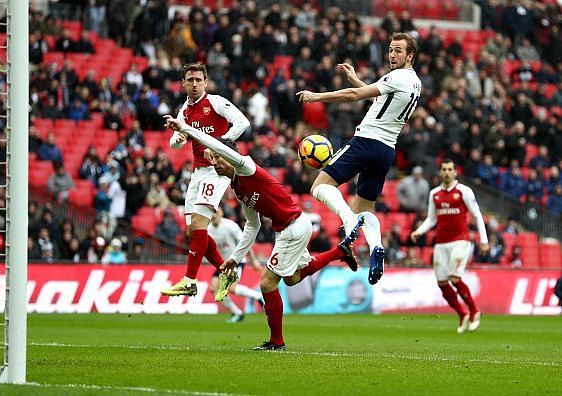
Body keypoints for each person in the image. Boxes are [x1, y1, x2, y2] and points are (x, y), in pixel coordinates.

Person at [163, 115, 359, 351]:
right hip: (289, 228)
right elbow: (252, 225)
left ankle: (277, 342)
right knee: (293, 278)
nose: (214, 163)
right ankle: (340, 251)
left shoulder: (245, 166)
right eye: (212, 159)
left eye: (216, 158)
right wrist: (235, 258)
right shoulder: (237, 187)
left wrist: (185, 129)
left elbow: (214, 143)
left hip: (293, 227)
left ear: (227, 156)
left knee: (267, 284)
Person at [296, 32, 422, 286]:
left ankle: (348, 221)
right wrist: (354, 77)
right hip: (386, 150)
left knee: (320, 186)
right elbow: (380, 97)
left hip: (366, 141)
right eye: (390, 50)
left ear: (410, 56)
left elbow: (355, 95)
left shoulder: (397, 77)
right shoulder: (415, 83)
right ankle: (377, 247)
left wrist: (316, 96)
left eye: (398, 51)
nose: (392, 55)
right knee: (365, 209)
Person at [161, 63, 251, 297]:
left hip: (216, 170)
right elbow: (174, 142)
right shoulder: (185, 111)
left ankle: (190, 279)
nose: (194, 84)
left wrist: (221, 144)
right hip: (197, 172)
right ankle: (226, 271)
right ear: (183, 83)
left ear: (205, 82)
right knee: (193, 231)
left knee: (200, 224)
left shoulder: (216, 102)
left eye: (198, 80)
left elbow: (243, 123)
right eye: (190, 80)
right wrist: (179, 136)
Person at [410, 159, 489, 333]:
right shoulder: (434, 194)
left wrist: (484, 240)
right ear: (440, 172)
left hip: (460, 241)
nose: (446, 172)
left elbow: (477, 215)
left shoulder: (464, 191)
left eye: (449, 169)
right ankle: (462, 313)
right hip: (441, 243)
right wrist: (419, 231)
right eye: (444, 169)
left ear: (455, 172)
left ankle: (474, 310)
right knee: (442, 282)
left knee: (455, 278)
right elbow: (432, 218)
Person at [208, 208, 265, 323]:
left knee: (231, 287)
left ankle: (258, 296)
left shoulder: (230, 226)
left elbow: (245, 242)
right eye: (211, 213)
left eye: (216, 212)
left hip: (235, 261)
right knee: (213, 288)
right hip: (222, 263)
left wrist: (253, 260)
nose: (214, 215)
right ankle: (237, 313)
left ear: (221, 212)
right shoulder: (208, 230)